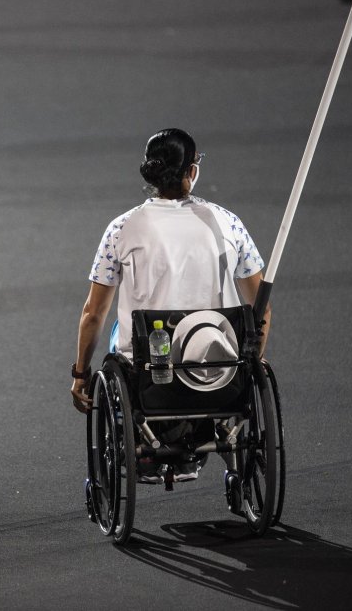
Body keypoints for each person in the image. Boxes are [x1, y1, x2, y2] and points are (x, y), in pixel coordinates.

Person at [69, 128, 272, 482]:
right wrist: (251, 360)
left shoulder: (122, 229)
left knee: (120, 331)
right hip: (219, 366)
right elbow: (261, 309)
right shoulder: (229, 224)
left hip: (150, 371)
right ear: (192, 171)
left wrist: (81, 374)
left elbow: (93, 314)